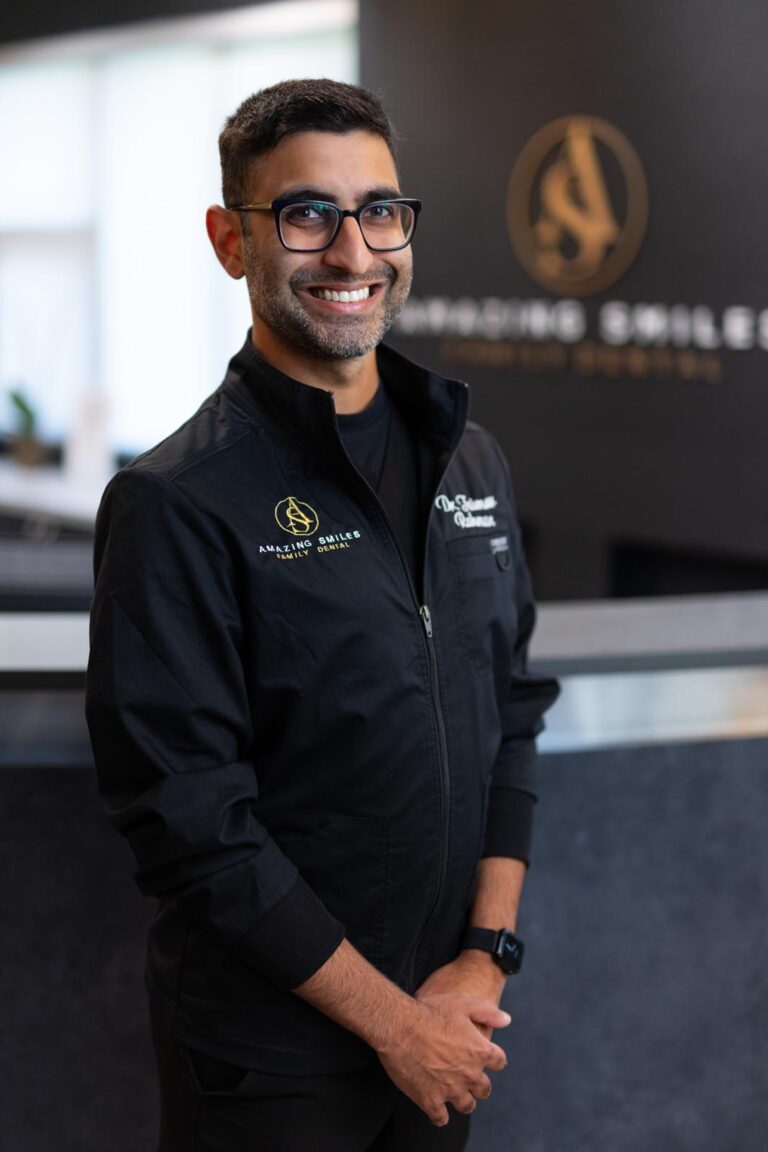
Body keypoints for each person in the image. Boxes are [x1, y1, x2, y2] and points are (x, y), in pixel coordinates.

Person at [86, 78, 559, 1152]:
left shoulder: (468, 456)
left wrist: (484, 956)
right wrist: (398, 1025)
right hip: (271, 1064)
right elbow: (194, 830)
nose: (353, 253)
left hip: (448, 1022)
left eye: (379, 210)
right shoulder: (179, 501)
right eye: (307, 214)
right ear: (230, 238)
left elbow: (513, 715)